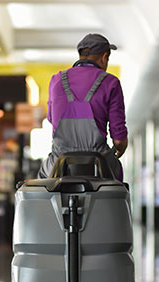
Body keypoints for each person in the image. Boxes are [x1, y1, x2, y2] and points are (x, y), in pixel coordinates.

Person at [38, 33, 128, 180]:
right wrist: (119, 149)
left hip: (60, 162)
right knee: (117, 184)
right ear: (105, 57)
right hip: (98, 163)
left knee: (43, 178)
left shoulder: (56, 80)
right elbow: (119, 138)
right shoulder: (111, 82)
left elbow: (51, 118)